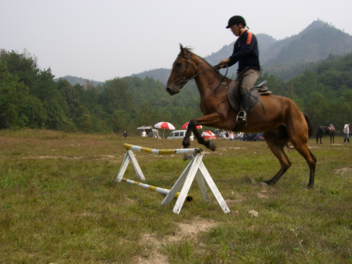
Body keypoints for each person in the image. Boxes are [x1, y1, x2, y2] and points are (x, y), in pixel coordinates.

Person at [217, 15, 260, 126]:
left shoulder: (249, 36)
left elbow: (246, 51)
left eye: (233, 28)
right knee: (231, 91)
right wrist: (223, 65)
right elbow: (234, 58)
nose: (232, 31)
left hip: (251, 70)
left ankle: (244, 113)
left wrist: (229, 59)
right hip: (240, 72)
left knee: (244, 87)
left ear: (240, 25)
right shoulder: (237, 42)